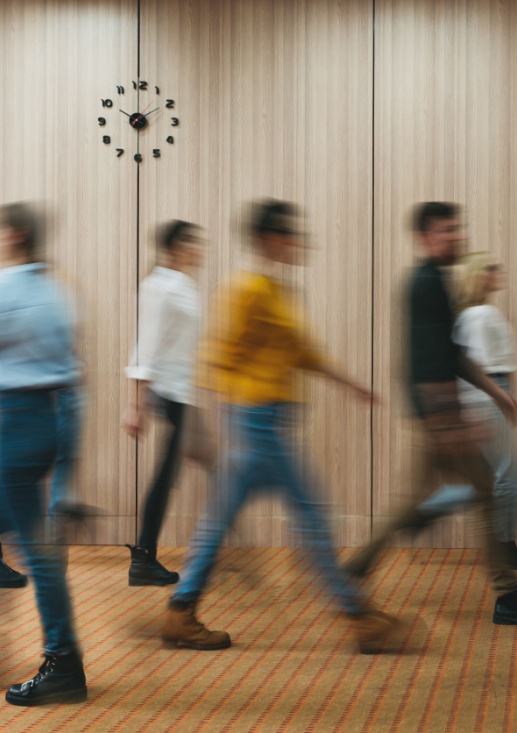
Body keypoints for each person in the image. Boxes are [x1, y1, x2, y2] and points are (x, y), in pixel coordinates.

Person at [161, 199, 395, 653]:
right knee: (311, 516)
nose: (299, 243)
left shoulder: (276, 290)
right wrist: (205, 427)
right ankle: (360, 617)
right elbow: (214, 359)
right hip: (254, 425)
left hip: (261, 423)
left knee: (220, 521)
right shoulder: (245, 289)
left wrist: (348, 383)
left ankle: (180, 611)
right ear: (270, 238)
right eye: (290, 234)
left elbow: (301, 352)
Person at [345, 202, 517, 627]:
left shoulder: (435, 283)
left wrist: (495, 394)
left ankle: (358, 565)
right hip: (438, 416)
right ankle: (508, 595)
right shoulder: (425, 284)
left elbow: (453, 355)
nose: (457, 237)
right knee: (483, 490)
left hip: (438, 415)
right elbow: (426, 362)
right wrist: (449, 423)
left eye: (457, 229)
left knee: (421, 500)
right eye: (448, 231)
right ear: (425, 236)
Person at [383, 252, 517, 571]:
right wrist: (497, 398)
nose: (499, 272)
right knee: (507, 476)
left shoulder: (473, 313)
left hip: (489, 395)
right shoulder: (480, 315)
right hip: (490, 395)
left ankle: (426, 511)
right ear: (478, 276)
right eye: (491, 268)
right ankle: (503, 546)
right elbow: (475, 365)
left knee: (487, 478)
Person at [0, 202, 87, 705]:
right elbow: (75, 373)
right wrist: (68, 475)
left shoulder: (10, 289)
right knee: (36, 548)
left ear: (14, 234)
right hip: (52, 416)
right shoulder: (56, 292)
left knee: (39, 553)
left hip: (17, 423)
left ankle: (63, 661)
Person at [121, 220, 206, 586]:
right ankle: (143, 557)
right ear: (173, 246)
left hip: (184, 392)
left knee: (172, 472)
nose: (199, 248)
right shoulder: (158, 287)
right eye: (192, 242)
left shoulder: (184, 285)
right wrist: (135, 405)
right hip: (170, 392)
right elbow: (146, 346)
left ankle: (146, 555)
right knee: (170, 474)